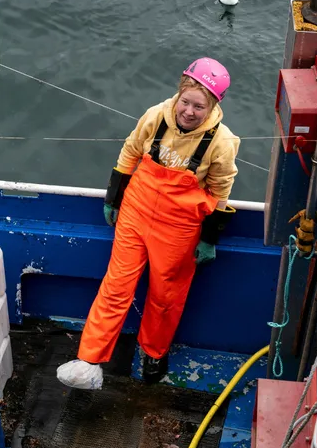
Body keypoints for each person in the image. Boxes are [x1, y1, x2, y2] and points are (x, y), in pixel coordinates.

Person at [57, 57, 241, 390]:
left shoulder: (222, 141)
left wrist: (209, 237)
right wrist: (114, 197)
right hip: (136, 210)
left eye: (198, 106)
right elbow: (129, 152)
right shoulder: (156, 116)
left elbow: (220, 189)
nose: (188, 111)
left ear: (213, 105)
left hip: (179, 226)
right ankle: (88, 360)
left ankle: (154, 353)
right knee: (116, 286)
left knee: (165, 296)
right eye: (185, 101)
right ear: (178, 93)